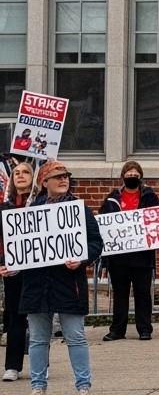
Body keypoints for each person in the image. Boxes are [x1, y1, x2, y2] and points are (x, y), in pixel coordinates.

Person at [3, 162, 103, 395]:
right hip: (37, 284)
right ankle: (38, 386)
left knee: (75, 336)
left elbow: (96, 243)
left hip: (69, 284)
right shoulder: (30, 211)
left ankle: (83, 386)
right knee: (38, 339)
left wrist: (82, 259)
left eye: (66, 176)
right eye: (57, 176)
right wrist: (12, 266)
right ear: (44, 182)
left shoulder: (79, 209)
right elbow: (21, 248)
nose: (63, 180)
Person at [97, 161, 159, 342]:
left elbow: (156, 219)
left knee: (142, 293)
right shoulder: (112, 198)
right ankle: (117, 329)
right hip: (118, 256)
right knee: (120, 294)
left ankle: (144, 329)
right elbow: (104, 227)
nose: (132, 177)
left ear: (141, 177)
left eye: (135, 174)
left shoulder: (149, 196)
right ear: (122, 176)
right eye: (129, 174)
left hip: (142, 256)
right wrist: (105, 260)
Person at [0, 161, 34, 382]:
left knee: (41, 318)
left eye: (26, 172)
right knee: (15, 317)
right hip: (12, 270)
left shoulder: (41, 204)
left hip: (38, 270)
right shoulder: (5, 208)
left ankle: (42, 364)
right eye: (16, 173)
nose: (20, 176)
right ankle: (12, 366)